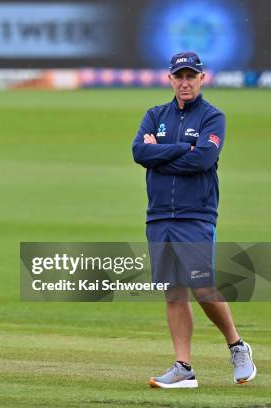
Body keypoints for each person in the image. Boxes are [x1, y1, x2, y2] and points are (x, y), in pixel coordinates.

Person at [132, 51, 256, 388]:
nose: (185, 82)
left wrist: (159, 153)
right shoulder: (154, 114)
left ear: (202, 78)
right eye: (179, 76)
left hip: (196, 213)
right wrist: (177, 150)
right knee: (174, 292)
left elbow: (202, 159)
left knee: (202, 287)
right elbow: (138, 153)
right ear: (170, 79)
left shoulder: (212, 117)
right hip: (159, 214)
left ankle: (236, 345)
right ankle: (183, 368)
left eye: (191, 76)